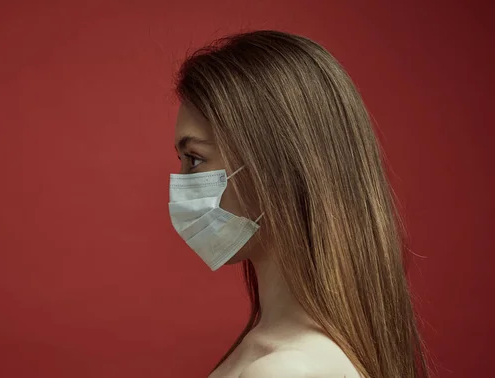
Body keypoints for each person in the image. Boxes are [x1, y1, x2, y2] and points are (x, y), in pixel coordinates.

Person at [168, 30, 428, 378]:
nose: (181, 182)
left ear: (277, 167)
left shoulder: (285, 369)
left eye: (195, 158)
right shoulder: (274, 350)